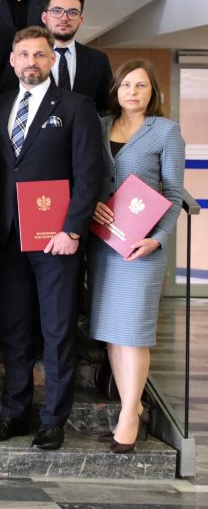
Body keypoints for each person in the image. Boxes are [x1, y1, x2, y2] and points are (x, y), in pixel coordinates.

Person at [0, 26, 101, 451]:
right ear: (13, 61)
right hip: (9, 238)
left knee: (57, 330)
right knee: (15, 330)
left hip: (56, 240)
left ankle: (53, 420)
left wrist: (72, 229)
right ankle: (14, 413)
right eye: (24, 55)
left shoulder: (76, 106)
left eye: (39, 55)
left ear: (51, 60)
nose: (31, 62)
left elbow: (89, 174)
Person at [89, 59, 184, 453]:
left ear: (152, 92)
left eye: (141, 85)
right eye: (126, 84)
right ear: (116, 90)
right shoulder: (99, 125)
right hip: (103, 243)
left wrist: (157, 240)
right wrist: (91, 205)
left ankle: (129, 414)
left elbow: (174, 195)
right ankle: (132, 405)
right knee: (113, 332)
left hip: (140, 248)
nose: (133, 92)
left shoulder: (165, 131)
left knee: (134, 333)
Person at [40, 0, 113, 114]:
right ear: (44, 17)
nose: (64, 18)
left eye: (72, 12)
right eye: (57, 11)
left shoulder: (98, 60)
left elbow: (106, 108)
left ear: (80, 20)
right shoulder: (28, 58)